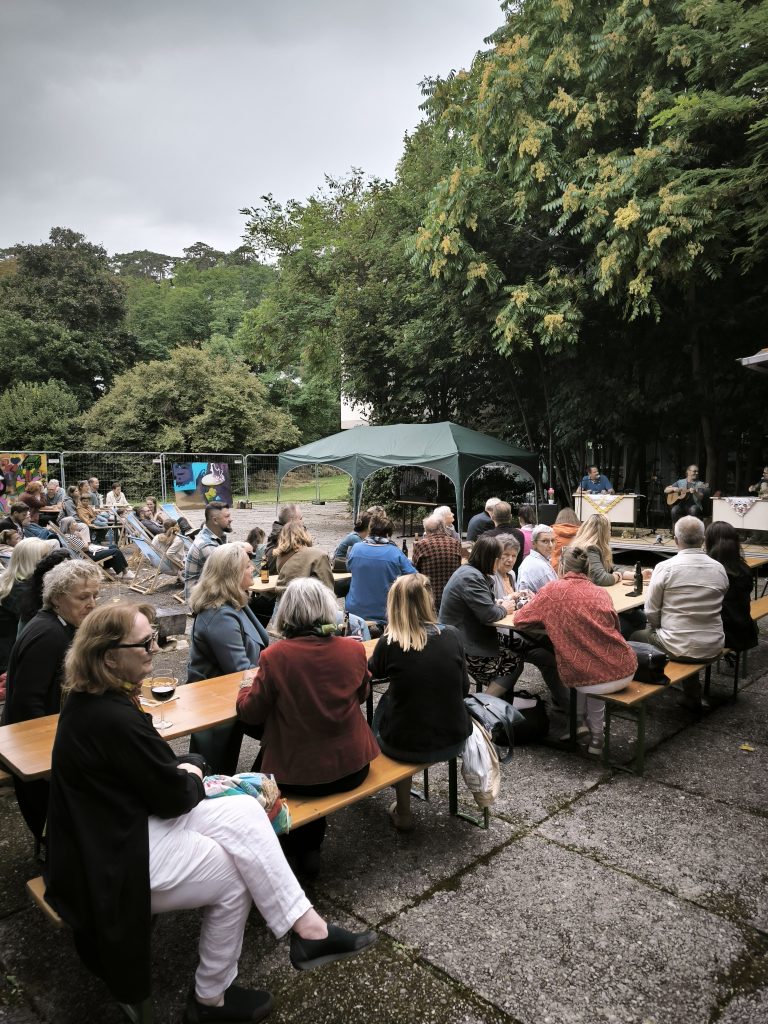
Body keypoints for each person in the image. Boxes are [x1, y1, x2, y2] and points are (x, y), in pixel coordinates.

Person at [45, 601, 377, 1023]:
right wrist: (191, 770)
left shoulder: (96, 698)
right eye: (145, 643)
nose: (155, 648)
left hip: (124, 823)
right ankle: (210, 999)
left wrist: (185, 769)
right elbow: (171, 795)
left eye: (154, 638)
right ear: (109, 657)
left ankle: (309, 927)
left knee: (245, 810)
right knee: (236, 870)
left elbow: (150, 776)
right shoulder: (110, 716)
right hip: (109, 856)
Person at [237, 578, 380, 877]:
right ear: (327, 608)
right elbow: (362, 695)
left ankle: (295, 851)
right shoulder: (353, 650)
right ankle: (309, 850)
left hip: (298, 775)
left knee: (275, 763)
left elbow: (250, 713)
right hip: (353, 766)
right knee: (294, 756)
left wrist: (245, 686)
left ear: (287, 612)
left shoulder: (275, 657)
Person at [2, 560, 101, 845]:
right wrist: (49, 761)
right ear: (57, 598)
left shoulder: (59, 625)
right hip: (34, 750)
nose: (92, 604)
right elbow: (26, 705)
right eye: (83, 597)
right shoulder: (48, 635)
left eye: (95, 595)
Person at [369, 573, 472, 830]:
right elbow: (464, 688)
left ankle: (403, 811)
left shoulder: (389, 643)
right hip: (454, 737)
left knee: (389, 705)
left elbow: (372, 671)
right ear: (429, 600)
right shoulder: (453, 635)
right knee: (413, 702)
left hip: (404, 745)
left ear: (394, 604)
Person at [513, 545, 637, 754]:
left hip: (591, 676)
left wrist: (549, 618)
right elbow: (615, 628)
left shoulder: (552, 591)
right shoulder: (600, 592)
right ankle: (585, 730)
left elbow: (520, 620)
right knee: (589, 671)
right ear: (587, 568)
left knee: (585, 674)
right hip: (625, 666)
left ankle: (591, 734)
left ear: (561, 566)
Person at [631, 516, 728, 708]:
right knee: (685, 636)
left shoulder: (665, 568)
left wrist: (658, 627)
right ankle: (692, 693)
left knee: (635, 636)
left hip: (677, 645)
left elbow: (651, 611)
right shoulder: (719, 569)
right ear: (703, 540)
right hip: (713, 645)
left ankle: (636, 696)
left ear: (676, 540)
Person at [438, 533, 521, 696]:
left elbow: (484, 607)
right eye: (500, 558)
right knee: (514, 662)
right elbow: (489, 615)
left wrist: (497, 605)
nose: (503, 562)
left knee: (518, 646)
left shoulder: (470, 572)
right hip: (463, 644)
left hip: (463, 636)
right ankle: (484, 705)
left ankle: (498, 699)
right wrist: (505, 608)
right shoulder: (471, 577)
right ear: (492, 559)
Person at [346, 516, 417, 627]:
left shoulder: (356, 548)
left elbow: (349, 567)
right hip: (386, 612)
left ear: (370, 529)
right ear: (388, 534)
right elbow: (414, 577)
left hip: (355, 609)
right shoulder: (395, 553)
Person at [704, 521, 759, 656]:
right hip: (744, 630)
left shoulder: (711, 571)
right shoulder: (744, 569)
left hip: (722, 634)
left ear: (710, 543)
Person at [0, 538, 51, 672]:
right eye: (45, 557)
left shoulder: (12, 580)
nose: (49, 560)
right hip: (11, 659)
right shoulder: (20, 590)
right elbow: (37, 625)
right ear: (32, 561)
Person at [411, 513, 462, 608]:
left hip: (428, 596)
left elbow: (414, 570)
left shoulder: (420, 545)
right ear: (443, 528)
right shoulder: (456, 543)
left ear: (426, 530)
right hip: (452, 595)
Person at [184, 501, 232, 598]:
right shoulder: (206, 545)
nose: (231, 519)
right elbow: (228, 574)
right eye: (227, 516)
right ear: (215, 520)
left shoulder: (218, 536)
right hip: (200, 601)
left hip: (210, 592)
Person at [274, 521, 334, 597]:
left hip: (283, 600)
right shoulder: (319, 555)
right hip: (306, 601)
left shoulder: (280, 555)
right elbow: (328, 588)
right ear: (305, 534)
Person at [60, 518, 135, 579]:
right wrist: (81, 537)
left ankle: (107, 568)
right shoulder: (70, 537)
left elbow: (84, 547)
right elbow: (86, 547)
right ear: (69, 526)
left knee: (113, 547)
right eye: (74, 522)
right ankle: (125, 573)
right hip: (87, 555)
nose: (76, 523)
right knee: (115, 551)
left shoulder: (71, 535)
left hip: (87, 552)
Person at [484, 501, 525, 574]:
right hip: (515, 575)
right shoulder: (520, 535)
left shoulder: (487, 536)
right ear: (511, 517)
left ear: (492, 517)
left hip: (492, 575)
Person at [517, 524, 558, 593]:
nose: (551, 545)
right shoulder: (541, 567)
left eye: (553, 540)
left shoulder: (530, 559)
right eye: (545, 541)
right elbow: (555, 593)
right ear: (534, 543)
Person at [265, 503, 303, 573]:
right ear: (292, 521)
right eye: (301, 518)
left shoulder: (276, 536)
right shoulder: (287, 541)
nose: (302, 522)